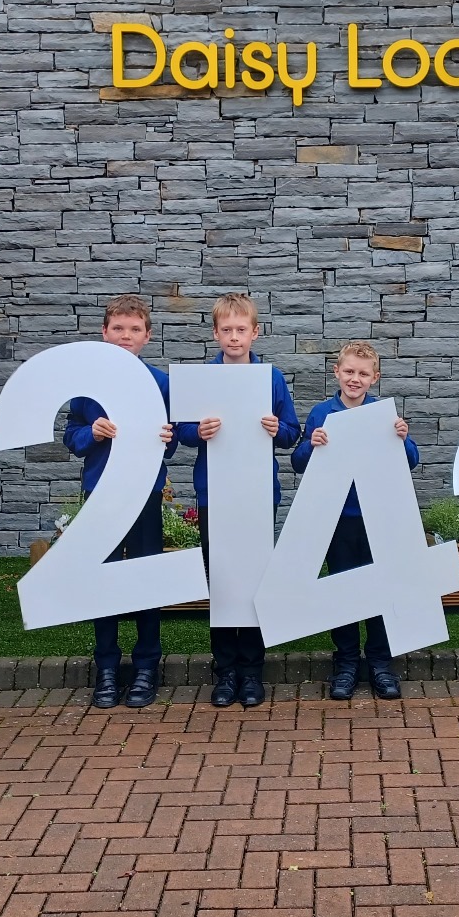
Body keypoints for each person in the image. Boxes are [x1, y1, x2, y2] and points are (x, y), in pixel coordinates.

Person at [174, 294, 300, 708]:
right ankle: (225, 671)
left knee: (257, 581)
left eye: (241, 329)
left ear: (255, 332)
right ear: (215, 333)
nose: (233, 336)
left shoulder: (271, 378)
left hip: (259, 493)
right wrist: (200, 431)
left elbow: (291, 434)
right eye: (226, 330)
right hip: (216, 493)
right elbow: (182, 432)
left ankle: (252, 670)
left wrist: (276, 427)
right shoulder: (204, 378)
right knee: (223, 581)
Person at [65, 294, 177, 709]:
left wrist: (169, 438)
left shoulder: (161, 382)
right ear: (105, 332)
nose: (126, 336)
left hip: (144, 492)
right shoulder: (86, 384)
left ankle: (147, 665)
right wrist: (90, 433)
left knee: (145, 577)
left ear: (147, 336)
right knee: (105, 580)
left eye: (134, 329)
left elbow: (175, 439)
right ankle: (107, 667)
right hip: (101, 491)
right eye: (118, 328)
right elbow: (71, 437)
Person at [291, 340, 419, 701]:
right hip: (336, 518)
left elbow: (410, 460)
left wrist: (403, 438)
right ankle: (346, 664)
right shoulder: (321, 412)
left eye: (363, 373)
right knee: (343, 592)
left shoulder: (382, 414)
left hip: (377, 518)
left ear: (374, 378)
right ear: (337, 372)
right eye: (349, 371)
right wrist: (311, 444)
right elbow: (299, 463)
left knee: (380, 590)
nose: (355, 378)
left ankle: (380, 663)